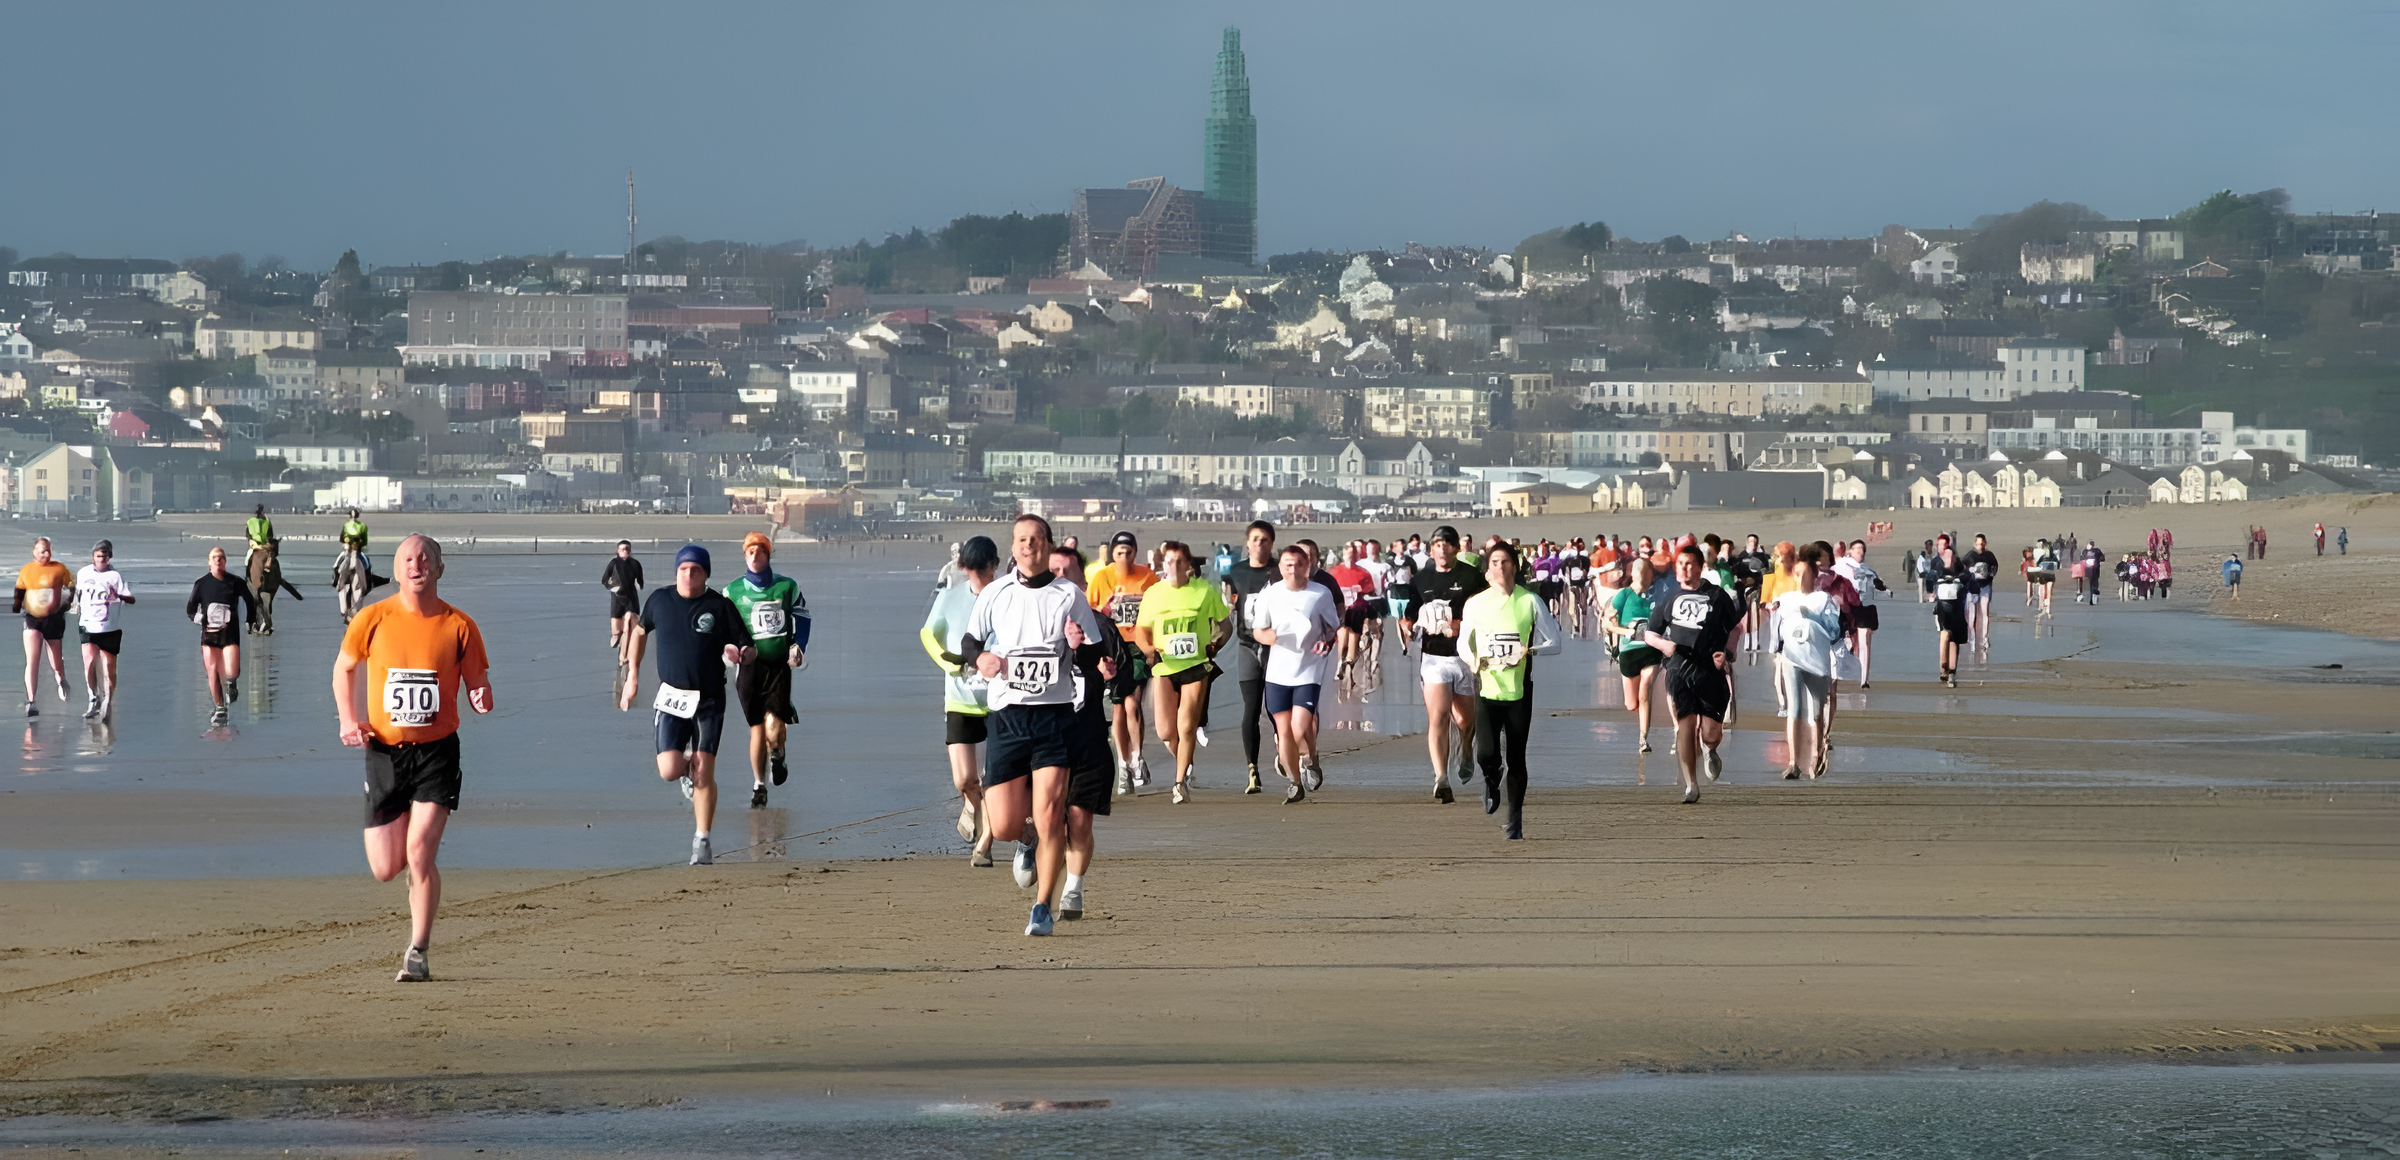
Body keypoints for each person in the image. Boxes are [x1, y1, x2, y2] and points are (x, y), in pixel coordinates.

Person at [331, 534, 494, 983]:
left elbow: (479, 684)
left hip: (437, 753)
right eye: (407, 558)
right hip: (383, 752)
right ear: (397, 569)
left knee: (420, 853)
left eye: (425, 558)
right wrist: (349, 719)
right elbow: (343, 669)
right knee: (387, 868)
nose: (416, 564)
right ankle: (411, 876)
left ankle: (418, 951)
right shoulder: (371, 617)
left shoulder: (460, 625)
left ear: (439, 569)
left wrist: (481, 697)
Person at [963, 514, 1114, 937]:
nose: (1029, 546)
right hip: (1008, 717)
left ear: (1047, 546)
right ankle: (1025, 841)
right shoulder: (996, 593)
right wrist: (981, 660)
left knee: (1051, 818)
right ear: (1013, 547)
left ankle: (1042, 906)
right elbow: (970, 641)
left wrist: (1077, 645)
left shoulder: (1069, 595)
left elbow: (1093, 658)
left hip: (1055, 717)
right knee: (1008, 823)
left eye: (1037, 539)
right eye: (1022, 540)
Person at [618, 545, 756, 866]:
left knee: (705, 770)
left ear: (706, 574)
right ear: (675, 571)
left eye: (696, 570)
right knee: (669, 770)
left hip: (709, 700)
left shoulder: (720, 607)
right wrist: (633, 676)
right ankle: (685, 770)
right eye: (684, 569)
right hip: (672, 698)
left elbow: (748, 648)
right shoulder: (660, 601)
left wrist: (742, 655)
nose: (689, 574)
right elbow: (640, 632)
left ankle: (702, 841)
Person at [1459, 543, 1563, 839]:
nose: (1501, 567)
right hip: (1487, 688)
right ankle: (1492, 780)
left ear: (1514, 566)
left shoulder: (1529, 601)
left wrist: (1529, 651)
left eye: (1506, 561)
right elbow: (1462, 642)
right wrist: (1472, 660)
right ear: (1488, 569)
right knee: (1486, 754)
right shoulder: (1475, 603)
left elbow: (1554, 642)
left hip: (1519, 692)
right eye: (1495, 562)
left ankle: (1515, 820)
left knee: (1517, 757)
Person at [1048, 544, 1124, 920]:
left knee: (1079, 818)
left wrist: (1112, 675)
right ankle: (1030, 844)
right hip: (1044, 736)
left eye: (1068, 572)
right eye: (1054, 571)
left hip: (1089, 734)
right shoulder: (1032, 624)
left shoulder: (1102, 626)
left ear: (1082, 580)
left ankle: (1073, 888)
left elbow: (1128, 669)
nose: (1060, 578)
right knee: (1044, 818)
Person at [1643, 544, 1745, 804]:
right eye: (1680, 564)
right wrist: (1664, 645)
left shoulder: (1717, 596)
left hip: (1710, 669)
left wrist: (1726, 653)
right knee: (1685, 725)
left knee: (1710, 732)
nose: (1684, 569)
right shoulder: (1669, 599)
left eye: (1689, 564)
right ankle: (1691, 785)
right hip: (1679, 668)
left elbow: (1734, 628)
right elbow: (1650, 632)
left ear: (1700, 567)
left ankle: (1710, 749)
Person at [1133, 541, 1232, 804]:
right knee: (1166, 731)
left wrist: (1215, 645)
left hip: (1196, 665)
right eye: (1169, 561)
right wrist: (1148, 649)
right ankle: (1185, 763)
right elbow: (1141, 630)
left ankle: (1179, 784)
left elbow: (1226, 625)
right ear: (1162, 564)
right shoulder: (1153, 593)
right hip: (1165, 666)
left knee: (1186, 724)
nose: (1174, 566)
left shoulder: (1204, 591)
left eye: (1179, 561)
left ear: (1189, 565)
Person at [924, 535, 1000, 864]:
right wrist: (951, 663)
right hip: (959, 699)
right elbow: (929, 634)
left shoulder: (1007, 598)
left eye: (986, 569)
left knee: (994, 779)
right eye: (973, 570)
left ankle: (985, 841)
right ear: (962, 567)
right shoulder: (950, 597)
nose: (981, 577)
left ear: (995, 566)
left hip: (1001, 700)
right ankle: (972, 804)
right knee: (965, 779)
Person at [1247, 544, 1339, 804]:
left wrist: (1327, 642)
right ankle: (1294, 782)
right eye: (1287, 564)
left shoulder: (1319, 594)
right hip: (1278, 672)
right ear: (1280, 567)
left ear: (1307, 566)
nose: (1293, 569)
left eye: (1298, 564)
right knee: (1283, 731)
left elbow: (1333, 627)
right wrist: (1269, 636)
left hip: (1309, 669)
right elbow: (1258, 630)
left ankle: (1310, 758)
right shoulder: (1270, 594)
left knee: (1299, 727)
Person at [726, 532, 809, 809]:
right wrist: (727, 650)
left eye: (760, 550)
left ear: (768, 554)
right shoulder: (732, 591)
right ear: (744, 554)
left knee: (774, 730)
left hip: (777, 666)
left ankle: (778, 754)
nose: (754, 555)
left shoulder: (787, 586)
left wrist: (799, 645)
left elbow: (803, 616)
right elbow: (724, 627)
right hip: (749, 668)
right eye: (749, 551)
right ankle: (759, 784)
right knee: (757, 729)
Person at [1404, 525, 1487, 803]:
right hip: (1433, 658)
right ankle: (1441, 777)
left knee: (1465, 720)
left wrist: (1456, 624)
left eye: (1448, 544)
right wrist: (1411, 627)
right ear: (1431, 549)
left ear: (1456, 548)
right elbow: (1409, 615)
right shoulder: (1421, 578)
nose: (1442, 548)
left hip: (1464, 656)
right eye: (1437, 544)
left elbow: (1484, 614)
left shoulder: (1471, 576)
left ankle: (1464, 750)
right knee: (1438, 717)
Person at [1085, 531, 1158, 792]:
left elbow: (1158, 612)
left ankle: (1137, 758)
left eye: (1128, 552)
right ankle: (1123, 765)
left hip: (1137, 646)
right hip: (1112, 647)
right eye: (1119, 552)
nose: (1124, 556)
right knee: (1118, 708)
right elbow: (1088, 614)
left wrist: (1153, 648)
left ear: (1135, 553)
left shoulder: (1148, 578)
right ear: (1112, 554)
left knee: (1132, 703)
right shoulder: (1101, 579)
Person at [1219, 520, 1280, 795]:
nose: (1259, 544)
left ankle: (1284, 747)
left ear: (1271, 543)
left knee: (1276, 708)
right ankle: (1252, 768)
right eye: (1255, 539)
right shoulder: (1235, 572)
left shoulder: (1279, 571)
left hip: (1276, 647)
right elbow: (1228, 603)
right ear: (1247, 543)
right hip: (1246, 644)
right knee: (1251, 709)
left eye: (1265, 539)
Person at [1772, 547, 1842, 780]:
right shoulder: (1786, 599)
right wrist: (1776, 651)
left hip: (1817, 660)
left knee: (1815, 711)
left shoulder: (1824, 599)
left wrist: (1813, 617)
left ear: (1815, 576)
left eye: (1806, 573)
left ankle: (1817, 754)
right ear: (1793, 575)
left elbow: (1834, 631)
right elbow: (1778, 629)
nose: (1802, 578)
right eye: (1798, 573)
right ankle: (1793, 763)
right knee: (1795, 707)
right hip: (1792, 657)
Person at [187, 546, 254, 725]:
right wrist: (202, 620)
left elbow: (250, 600)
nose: (218, 560)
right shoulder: (201, 584)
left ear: (225, 561)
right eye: (214, 557)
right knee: (212, 672)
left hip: (230, 635)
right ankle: (220, 709)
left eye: (221, 557)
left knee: (232, 671)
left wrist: (250, 620)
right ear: (209, 562)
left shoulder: (235, 582)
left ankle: (231, 684)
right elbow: (190, 610)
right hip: (209, 637)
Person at [1604, 556, 1664, 752]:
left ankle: (1643, 739)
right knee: (1632, 704)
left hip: (1650, 650)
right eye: (1643, 572)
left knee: (1645, 690)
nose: (1647, 576)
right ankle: (1640, 713)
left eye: (1649, 572)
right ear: (1634, 574)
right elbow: (1607, 624)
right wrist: (1626, 632)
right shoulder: (1624, 595)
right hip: (1628, 651)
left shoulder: (1655, 598)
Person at [72, 540, 134, 720]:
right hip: (87, 624)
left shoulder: (115, 576)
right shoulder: (83, 573)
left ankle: (108, 699)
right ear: (93, 557)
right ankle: (93, 698)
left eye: (105, 557)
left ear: (110, 558)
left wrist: (121, 596)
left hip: (109, 627)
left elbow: (129, 598)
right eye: (99, 557)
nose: (102, 560)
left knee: (109, 666)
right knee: (89, 661)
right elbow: (77, 596)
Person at [16, 537, 73, 714]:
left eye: (48, 550)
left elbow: (71, 587)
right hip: (32, 618)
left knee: (55, 661)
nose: (46, 554)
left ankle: (61, 680)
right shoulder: (26, 570)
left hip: (54, 618)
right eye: (42, 550)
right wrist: (19, 606)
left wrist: (67, 604)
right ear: (34, 551)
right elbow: (20, 591)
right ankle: (31, 702)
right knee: (32, 660)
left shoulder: (59, 568)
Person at [1326, 544, 1378, 684]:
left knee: (1354, 629)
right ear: (1343, 554)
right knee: (1342, 630)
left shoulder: (1363, 573)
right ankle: (1341, 661)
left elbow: (1370, 591)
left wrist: (1360, 590)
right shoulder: (1334, 572)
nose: (1351, 556)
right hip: (1340, 608)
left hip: (1357, 609)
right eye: (1348, 553)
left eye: (1353, 554)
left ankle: (1349, 660)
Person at [1835, 540, 1883, 689]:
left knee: (1865, 642)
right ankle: (1839, 671)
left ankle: (1864, 680)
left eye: (1862, 550)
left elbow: (1879, 584)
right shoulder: (1841, 565)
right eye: (1857, 549)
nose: (1860, 552)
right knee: (1844, 641)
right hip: (1846, 608)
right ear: (1850, 551)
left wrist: (1884, 589)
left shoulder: (1868, 570)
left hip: (1864, 607)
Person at [1930, 542, 1968, 687]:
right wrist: (1931, 592)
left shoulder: (1961, 570)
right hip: (1942, 608)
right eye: (1946, 556)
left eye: (1951, 556)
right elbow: (1929, 579)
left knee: (1955, 641)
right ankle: (1943, 667)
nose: (1948, 559)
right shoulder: (1937, 569)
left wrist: (1964, 582)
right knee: (1944, 634)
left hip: (1957, 608)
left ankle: (1952, 672)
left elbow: (1971, 584)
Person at [602, 541, 645, 661]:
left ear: (630, 551)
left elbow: (640, 579)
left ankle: (624, 655)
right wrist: (612, 587)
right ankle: (616, 634)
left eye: (627, 549)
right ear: (617, 551)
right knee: (616, 628)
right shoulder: (613, 564)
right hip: (617, 596)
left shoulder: (635, 564)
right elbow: (605, 579)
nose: (625, 551)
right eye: (622, 549)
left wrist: (640, 584)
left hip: (631, 597)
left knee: (629, 626)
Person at [1961, 533, 2000, 650]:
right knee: (1971, 615)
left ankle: (1984, 638)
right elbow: (1962, 569)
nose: (1980, 546)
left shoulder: (1989, 556)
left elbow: (1995, 566)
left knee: (1984, 613)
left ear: (1985, 543)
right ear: (1975, 544)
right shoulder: (1969, 556)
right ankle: (1971, 638)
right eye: (1978, 544)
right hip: (1972, 588)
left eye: (1982, 544)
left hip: (1985, 586)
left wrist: (1990, 575)